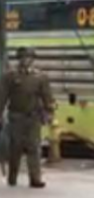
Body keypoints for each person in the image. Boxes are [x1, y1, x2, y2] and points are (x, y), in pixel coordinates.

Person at [0, 47, 55, 188]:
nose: (26, 60)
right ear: (19, 59)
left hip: (33, 117)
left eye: (29, 58)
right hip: (16, 117)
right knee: (15, 148)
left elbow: (47, 97)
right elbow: (3, 97)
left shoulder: (40, 77)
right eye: (23, 58)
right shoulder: (10, 76)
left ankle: (35, 178)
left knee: (34, 148)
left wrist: (49, 112)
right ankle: (13, 176)